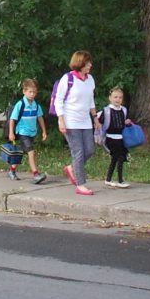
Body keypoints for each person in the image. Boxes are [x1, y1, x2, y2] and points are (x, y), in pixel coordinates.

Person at [53, 50, 99, 196]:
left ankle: (72, 168)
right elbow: (58, 100)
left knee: (90, 150)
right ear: (80, 63)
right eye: (87, 63)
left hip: (85, 121)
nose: (90, 65)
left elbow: (90, 99)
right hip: (70, 121)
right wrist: (61, 120)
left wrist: (95, 117)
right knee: (78, 152)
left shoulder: (90, 79)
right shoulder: (67, 79)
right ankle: (81, 184)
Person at [6, 78, 48, 183]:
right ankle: (36, 174)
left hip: (32, 132)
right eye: (30, 92)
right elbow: (12, 119)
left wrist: (44, 131)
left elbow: (40, 118)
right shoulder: (20, 104)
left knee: (21, 152)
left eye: (34, 92)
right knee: (31, 151)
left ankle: (12, 170)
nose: (32, 94)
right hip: (22, 132)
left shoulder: (36, 105)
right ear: (24, 91)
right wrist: (11, 132)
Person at [99, 86, 134, 188]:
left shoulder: (123, 110)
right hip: (110, 138)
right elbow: (100, 122)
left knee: (115, 159)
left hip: (120, 138)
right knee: (120, 158)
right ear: (110, 98)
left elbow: (122, 122)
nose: (117, 99)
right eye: (115, 97)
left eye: (120, 97)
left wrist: (126, 123)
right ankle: (120, 180)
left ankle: (108, 179)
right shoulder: (106, 111)